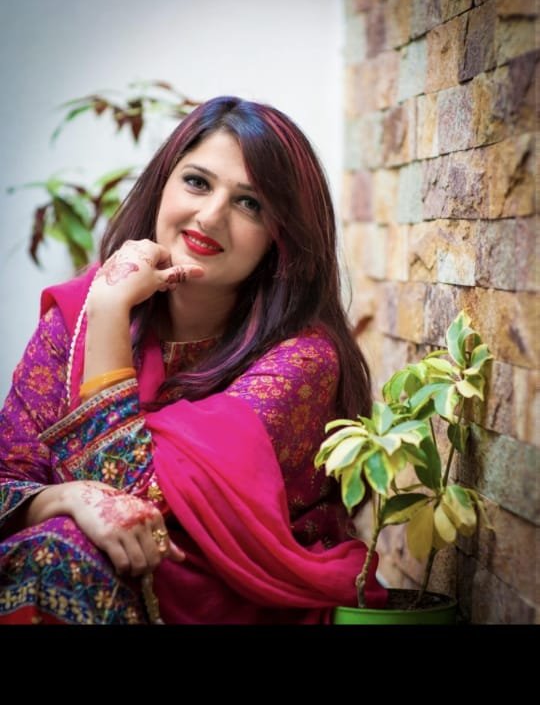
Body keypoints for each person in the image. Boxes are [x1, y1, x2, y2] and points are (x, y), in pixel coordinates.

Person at [0, 96, 386, 624]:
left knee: (62, 555)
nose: (211, 215)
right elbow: (9, 479)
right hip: (83, 570)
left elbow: (132, 504)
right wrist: (68, 498)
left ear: (281, 237)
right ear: (163, 183)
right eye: (197, 182)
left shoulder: (300, 361)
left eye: (250, 203)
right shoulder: (71, 321)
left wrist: (110, 309)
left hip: (227, 600)